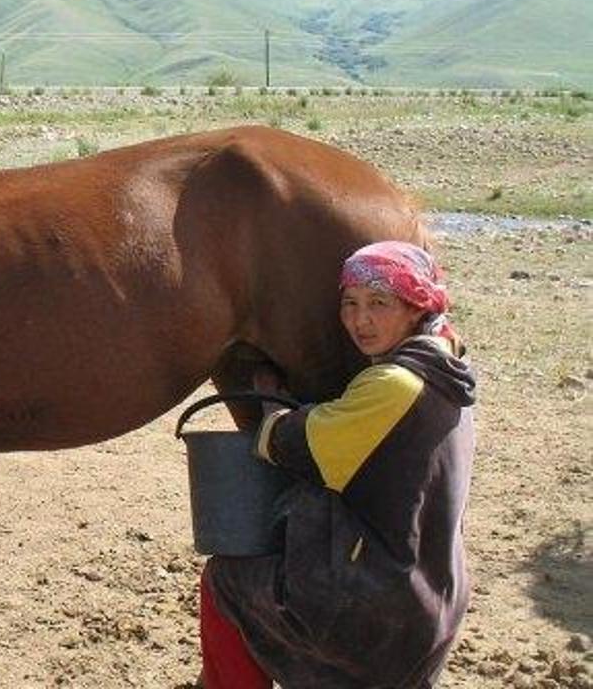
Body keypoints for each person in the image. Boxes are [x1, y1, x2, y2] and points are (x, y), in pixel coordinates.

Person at [199, 241, 476, 688]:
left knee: (226, 581)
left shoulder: (393, 385)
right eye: (350, 304)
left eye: (379, 304)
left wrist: (271, 405)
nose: (359, 321)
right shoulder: (449, 364)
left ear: (415, 307)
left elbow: (289, 442)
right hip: (437, 592)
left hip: (383, 603)